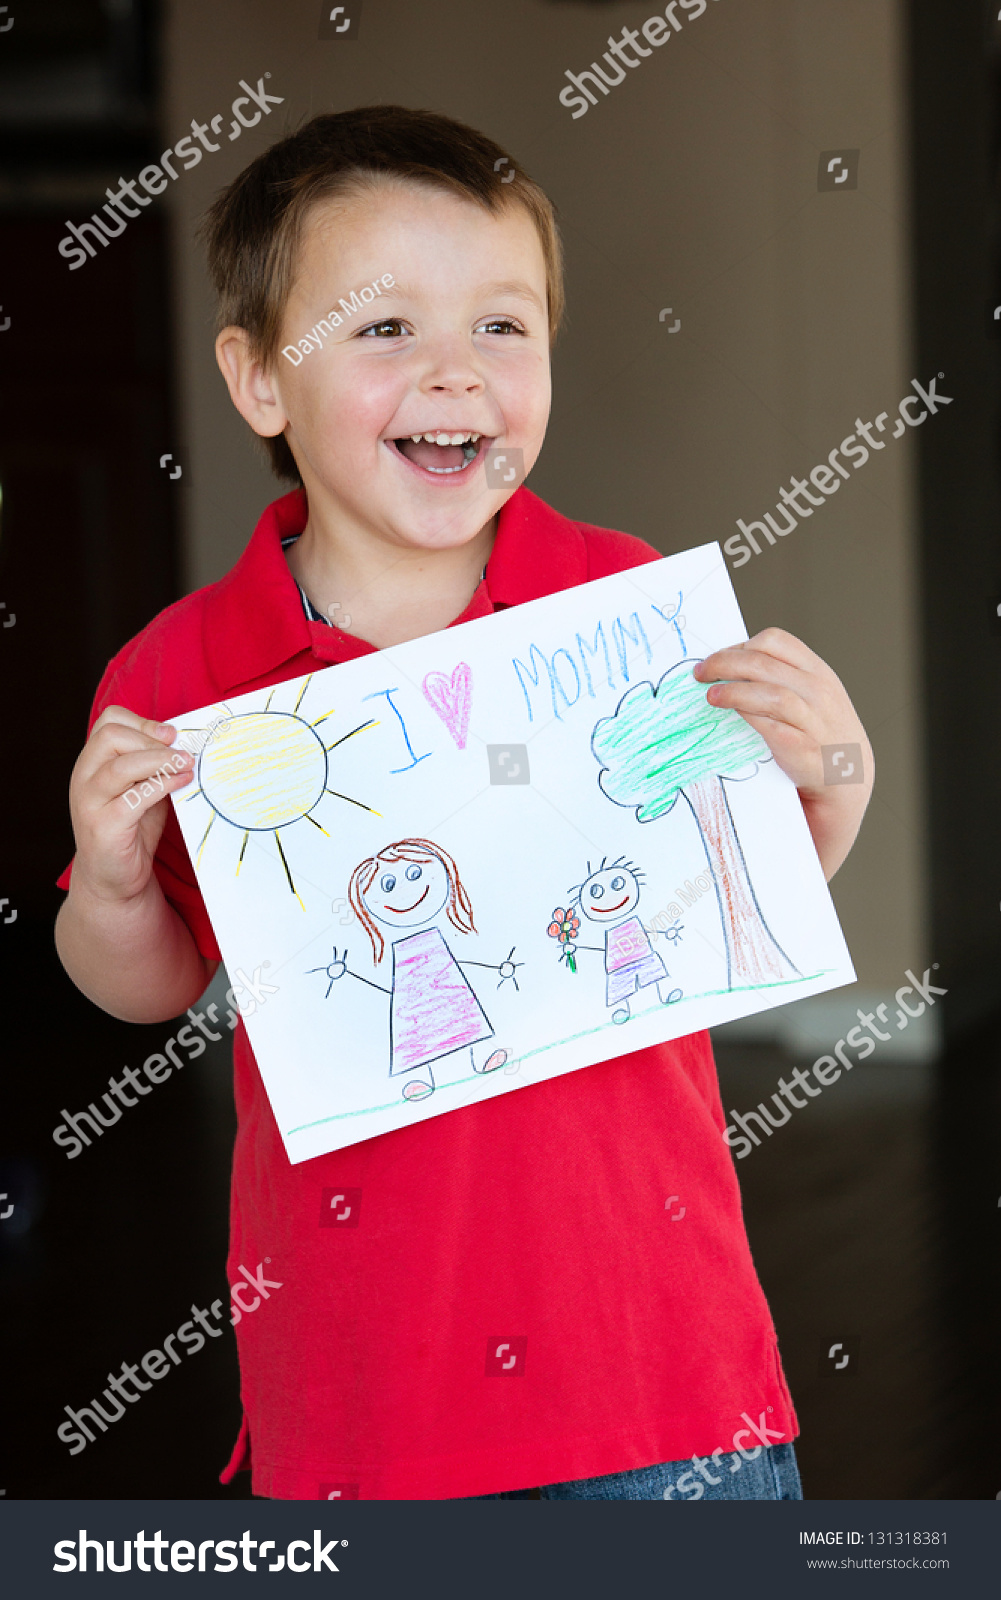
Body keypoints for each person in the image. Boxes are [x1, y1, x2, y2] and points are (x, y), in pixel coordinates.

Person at [54, 106, 873, 1501]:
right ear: (258, 382)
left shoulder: (619, 603)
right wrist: (115, 881)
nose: (454, 370)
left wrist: (829, 776)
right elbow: (143, 991)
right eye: (381, 330)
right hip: (367, 1396)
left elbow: (732, 906)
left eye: (502, 326)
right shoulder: (180, 673)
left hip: (660, 1375)